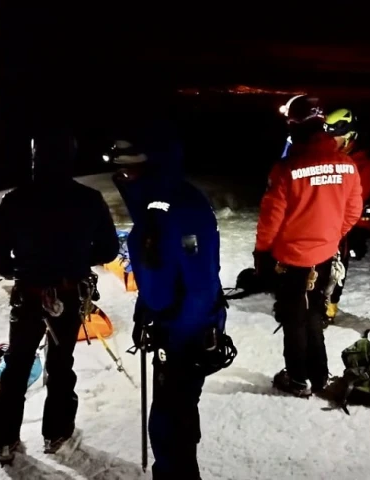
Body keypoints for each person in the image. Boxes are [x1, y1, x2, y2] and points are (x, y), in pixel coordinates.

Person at [0, 129, 119, 465]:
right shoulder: (88, 199)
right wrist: (75, 259)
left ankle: (6, 438)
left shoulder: (16, 199)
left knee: (17, 365)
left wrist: (20, 269)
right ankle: (56, 431)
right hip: (68, 293)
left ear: (35, 159)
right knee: (60, 364)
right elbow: (107, 249)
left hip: (30, 293)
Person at [111, 121, 234, 479]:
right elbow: (171, 273)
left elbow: (182, 284)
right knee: (176, 413)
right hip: (187, 324)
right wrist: (145, 311)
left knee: (169, 419)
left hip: (183, 333)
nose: (123, 175)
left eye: (129, 167)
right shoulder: (169, 201)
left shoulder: (168, 211)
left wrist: (163, 322)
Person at [255, 95, 362, 397]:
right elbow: (353, 212)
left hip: (291, 260)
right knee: (314, 314)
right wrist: (328, 236)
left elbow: (271, 219)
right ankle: (320, 376)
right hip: (326, 256)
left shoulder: (286, 169)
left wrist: (263, 252)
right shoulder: (348, 166)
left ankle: (298, 378)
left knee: (295, 320)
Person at [322, 108, 370, 324]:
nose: (329, 141)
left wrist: (358, 231)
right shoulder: (326, 158)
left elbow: (356, 199)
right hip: (322, 222)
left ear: (349, 136)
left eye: (333, 136)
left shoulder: (365, 165)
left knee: (337, 265)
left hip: (345, 226)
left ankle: (329, 306)